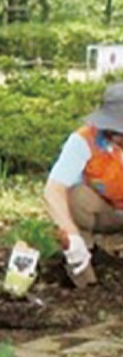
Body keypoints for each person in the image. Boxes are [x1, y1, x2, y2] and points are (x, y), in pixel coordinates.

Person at [43, 82, 123, 283]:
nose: (116, 137)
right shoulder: (84, 140)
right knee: (74, 197)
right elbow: (53, 189)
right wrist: (71, 235)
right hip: (108, 212)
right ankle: (84, 272)